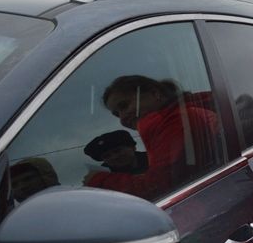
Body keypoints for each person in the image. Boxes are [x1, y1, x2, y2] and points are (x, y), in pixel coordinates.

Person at [84, 75, 217, 199]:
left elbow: (161, 187)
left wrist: (98, 180)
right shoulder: (173, 120)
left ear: (155, 94)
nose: (123, 118)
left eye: (124, 106)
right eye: (117, 114)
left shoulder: (180, 120)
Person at [83, 129, 149, 175]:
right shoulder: (103, 176)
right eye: (106, 156)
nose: (114, 157)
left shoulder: (155, 159)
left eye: (117, 151)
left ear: (132, 148)